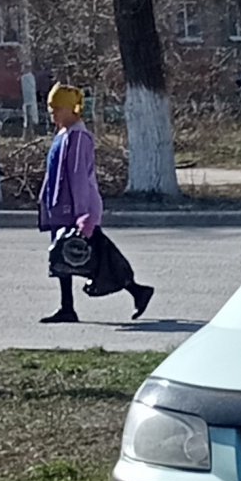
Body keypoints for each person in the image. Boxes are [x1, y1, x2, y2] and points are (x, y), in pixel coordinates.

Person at [37, 83, 154, 324]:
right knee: (64, 259)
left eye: (57, 108)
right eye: (51, 109)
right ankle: (67, 308)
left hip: (76, 211)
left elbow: (79, 177)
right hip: (61, 209)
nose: (52, 113)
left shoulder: (78, 137)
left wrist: (83, 214)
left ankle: (137, 290)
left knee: (96, 257)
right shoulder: (63, 135)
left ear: (72, 109)